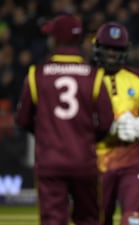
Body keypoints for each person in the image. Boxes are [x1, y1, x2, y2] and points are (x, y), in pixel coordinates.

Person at [15, 14, 114, 225]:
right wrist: (86, 138)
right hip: (84, 160)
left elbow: (22, 120)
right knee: (88, 218)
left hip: (50, 160)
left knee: (53, 219)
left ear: (56, 40)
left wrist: (45, 132)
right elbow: (106, 122)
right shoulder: (94, 76)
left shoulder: (36, 75)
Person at [91, 22, 139, 225]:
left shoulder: (138, 79)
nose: (112, 54)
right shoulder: (86, 79)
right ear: (98, 48)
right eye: (108, 49)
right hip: (97, 163)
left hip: (133, 163)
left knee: (134, 219)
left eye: (117, 49)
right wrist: (105, 130)